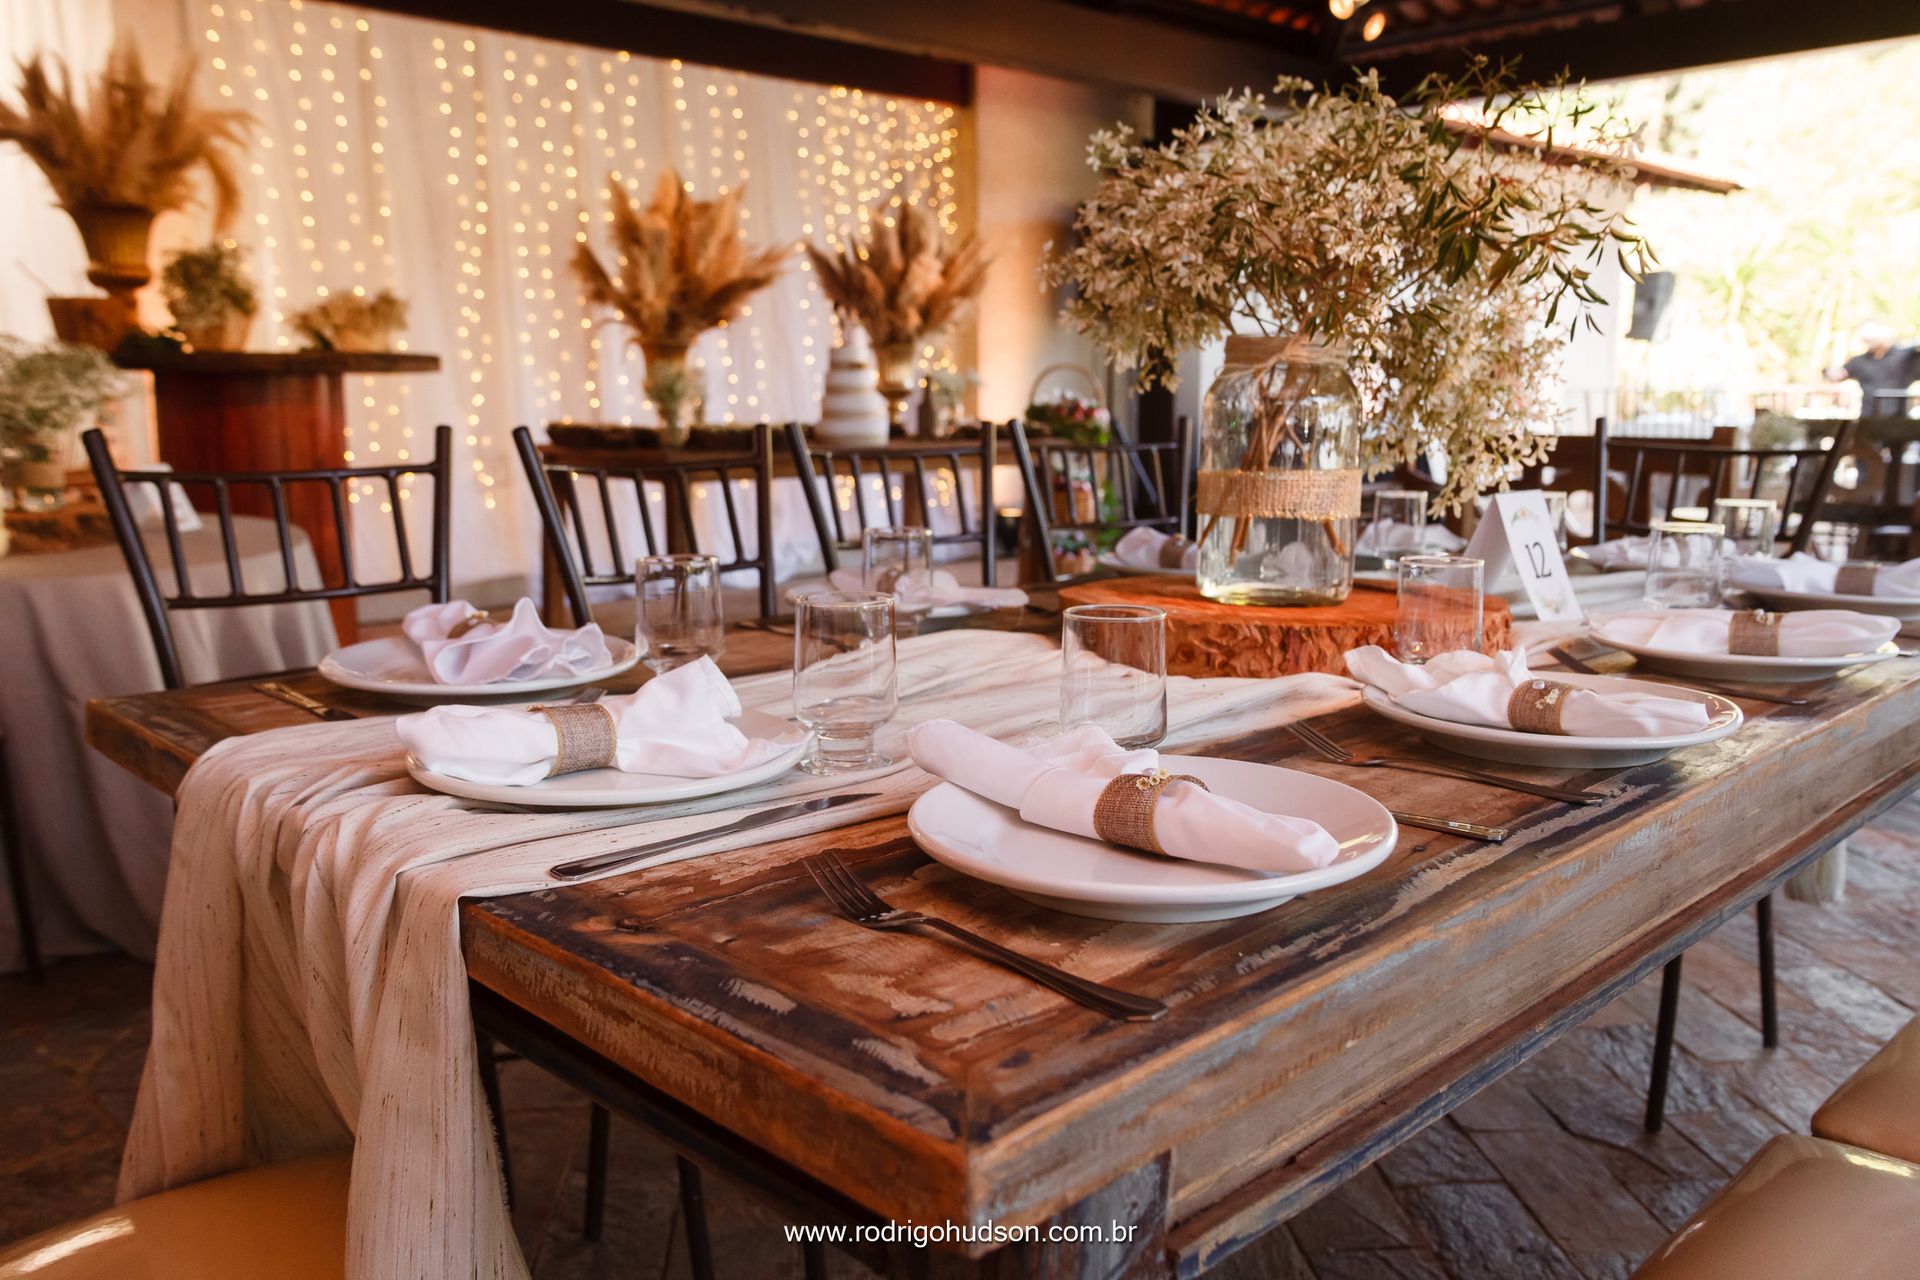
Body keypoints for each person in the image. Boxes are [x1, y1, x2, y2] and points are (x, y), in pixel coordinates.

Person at [1825, 322, 1920, 416]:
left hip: (1897, 418)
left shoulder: (1906, 357)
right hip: (1868, 417)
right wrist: (1831, 373)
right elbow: (1838, 374)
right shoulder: (1859, 361)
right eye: (1866, 340)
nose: (1869, 342)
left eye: (1871, 338)